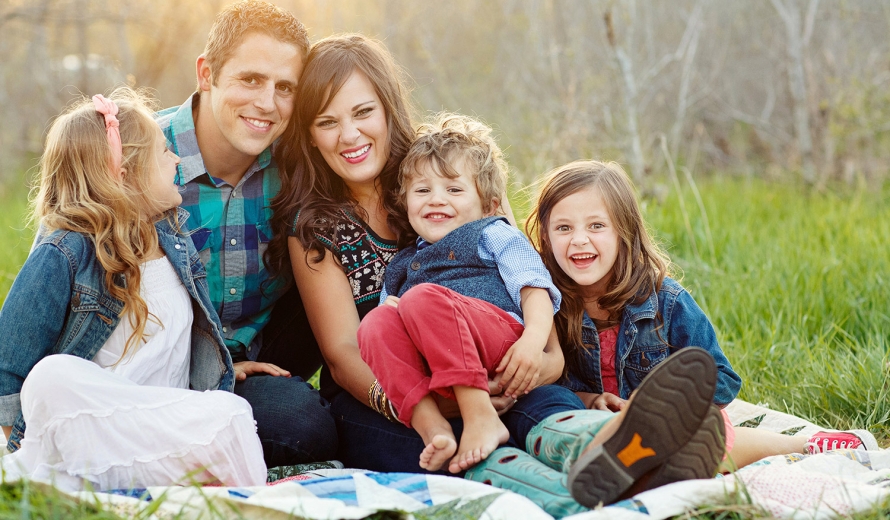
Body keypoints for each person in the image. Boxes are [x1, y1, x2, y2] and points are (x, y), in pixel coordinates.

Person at [466, 159, 879, 514]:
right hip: (600, 430)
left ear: (624, 232)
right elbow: (550, 389)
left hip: (675, 423)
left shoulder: (666, 301)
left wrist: (662, 406)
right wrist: (589, 400)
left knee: (705, 437)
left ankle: (802, 444)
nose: (579, 239)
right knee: (564, 447)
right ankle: (651, 466)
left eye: (596, 225)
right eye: (563, 227)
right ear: (544, 236)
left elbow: (721, 379)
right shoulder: (546, 306)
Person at [267, 33, 585, 473]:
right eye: (327, 122)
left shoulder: (445, 170)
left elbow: (521, 275)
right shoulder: (314, 227)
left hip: (500, 366)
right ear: (310, 136)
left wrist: (542, 364)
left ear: (388, 109)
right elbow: (343, 356)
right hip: (394, 397)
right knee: (437, 456)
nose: (349, 135)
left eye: (363, 112)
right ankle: (522, 486)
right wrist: (435, 402)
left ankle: (611, 454)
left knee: (548, 412)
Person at [0, 89, 266, 491]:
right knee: (51, 377)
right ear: (126, 174)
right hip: (96, 435)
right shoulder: (66, 254)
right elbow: (8, 365)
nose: (178, 160)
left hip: (161, 429)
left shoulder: (174, 240)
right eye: (165, 152)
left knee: (232, 415)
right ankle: (51, 466)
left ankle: (90, 481)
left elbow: (169, 345)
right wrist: (18, 441)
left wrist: (216, 365)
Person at [153, 0, 336, 468]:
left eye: (284, 87)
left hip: (257, 355)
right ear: (207, 74)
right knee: (298, 428)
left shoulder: (299, 163)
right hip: (158, 367)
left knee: (308, 425)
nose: (267, 103)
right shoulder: (138, 156)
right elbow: (59, 273)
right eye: (251, 79)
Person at [357, 113, 562, 473]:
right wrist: (393, 312)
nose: (436, 200)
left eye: (454, 190)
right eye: (423, 191)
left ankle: (481, 417)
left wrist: (532, 342)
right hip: (440, 363)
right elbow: (389, 335)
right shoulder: (403, 263)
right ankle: (434, 428)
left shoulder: (493, 233)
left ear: (489, 205)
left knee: (420, 299)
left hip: (499, 341)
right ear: (405, 202)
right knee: (374, 324)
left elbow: (534, 289)